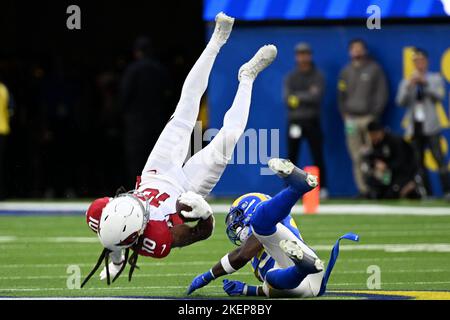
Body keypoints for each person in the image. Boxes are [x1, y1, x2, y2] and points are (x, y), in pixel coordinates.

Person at [81, 12, 278, 287]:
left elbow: (109, 233)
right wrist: (204, 212)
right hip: (189, 189)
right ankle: (248, 76)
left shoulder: (98, 212)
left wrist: (116, 260)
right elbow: (203, 233)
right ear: (139, 234)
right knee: (229, 136)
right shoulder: (157, 239)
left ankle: (217, 40)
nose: (138, 203)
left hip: (154, 173)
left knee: (185, 109)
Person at [187, 158, 358, 298]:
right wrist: (247, 290)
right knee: (271, 276)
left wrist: (207, 276)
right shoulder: (262, 237)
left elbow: (241, 255)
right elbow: (272, 290)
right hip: (301, 280)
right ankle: (302, 267)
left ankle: (297, 188)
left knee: (260, 225)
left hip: (306, 271)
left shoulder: (265, 228)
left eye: (238, 220)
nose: (236, 227)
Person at [396, 48, 450, 199]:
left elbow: (439, 96)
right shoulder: (407, 81)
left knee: (439, 159)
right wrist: (409, 87)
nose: (419, 63)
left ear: (426, 61)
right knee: (418, 162)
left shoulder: (434, 78)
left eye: (421, 60)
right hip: (415, 126)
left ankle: (447, 191)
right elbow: (400, 101)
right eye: (416, 61)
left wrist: (425, 84)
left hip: (431, 125)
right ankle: (427, 193)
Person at [338, 39, 388, 197]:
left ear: (365, 51)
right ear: (350, 52)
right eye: (354, 49)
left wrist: (375, 116)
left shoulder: (374, 69)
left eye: (360, 49)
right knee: (357, 156)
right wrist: (345, 115)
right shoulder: (346, 71)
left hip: (368, 119)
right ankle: (363, 189)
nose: (357, 52)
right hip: (351, 119)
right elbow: (341, 96)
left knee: (374, 154)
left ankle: (378, 188)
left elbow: (382, 93)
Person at [120, 36, 172, 188]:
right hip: (158, 123)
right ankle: (155, 191)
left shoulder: (132, 70)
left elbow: (124, 96)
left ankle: (135, 191)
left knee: (136, 160)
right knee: (157, 160)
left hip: (136, 125)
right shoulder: (161, 70)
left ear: (137, 52)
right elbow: (169, 96)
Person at [283, 43, 327, 198]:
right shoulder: (291, 76)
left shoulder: (317, 75)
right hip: (295, 121)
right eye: (300, 54)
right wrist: (305, 96)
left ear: (310, 56)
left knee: (317, 155)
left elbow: (316, 97)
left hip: (312, 120)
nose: (302, 57)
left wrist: (298, 97)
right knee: (291, 159)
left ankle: (322, 189)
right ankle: (288, 189)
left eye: (305, 54)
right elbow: (287, 99)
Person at [363, 121, 421, 199]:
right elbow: (373, 160)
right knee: (375, 188)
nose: (372, 137)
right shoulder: (376, 143)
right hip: (389, 174)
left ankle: (410, 186)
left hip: (404, 173)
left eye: (373, 135)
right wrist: (374, 163)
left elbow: (402, 161)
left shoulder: (395, 141)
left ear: (380, 132)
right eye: (370, 135)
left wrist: (386, 166)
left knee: (391, 194)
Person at [0, 80, 13, 200]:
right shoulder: (4, 89)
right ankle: (2, 193)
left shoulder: (4, 89)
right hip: (3, 129)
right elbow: (10, 110)